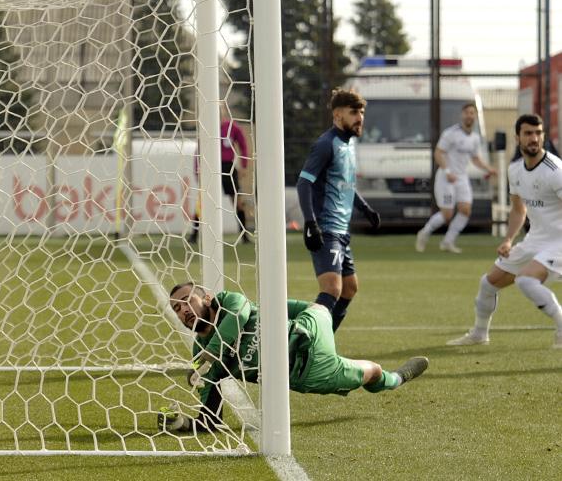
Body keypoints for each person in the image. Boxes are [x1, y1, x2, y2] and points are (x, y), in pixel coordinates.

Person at [158, 282, 429, 433]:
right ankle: (397, 378)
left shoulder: (229, 301)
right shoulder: (201, 355)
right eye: (176, 309)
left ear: (206, 296)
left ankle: (329, 299)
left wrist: (210, 355)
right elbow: (210, 414)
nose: (183, 310)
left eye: (186, 300)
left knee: (319, 307)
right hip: (309, 372)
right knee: (372, 372)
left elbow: (241, 314)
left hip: (308, 327)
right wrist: (184, 423)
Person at [447, 114, 562, 349]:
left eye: (538, 133)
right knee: (488, 283)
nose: (534, 138)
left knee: (526, 280)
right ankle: (479, 334)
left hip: (559, 242)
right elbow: (519, 210)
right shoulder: (515, 170)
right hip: (535, 240)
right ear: (517, 137)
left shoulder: (556, 171)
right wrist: (509, 239)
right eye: (528, 133)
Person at [296, 89, 380, 332]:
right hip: (326, 229)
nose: (360, 117)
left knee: (350, 288)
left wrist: (366, 209)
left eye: (362, 112)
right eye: (354, 112)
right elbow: (304, 182)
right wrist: (311, 223)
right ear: (337, 115)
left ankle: (324, 342)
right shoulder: (326, 144)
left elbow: (346, 186)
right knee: (332, 289)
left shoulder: (349, 145)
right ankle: (302, 342)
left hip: (342, 232)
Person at [415, 102, 496, 254]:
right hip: (446, 177)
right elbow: (438, 153)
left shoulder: (475, 138)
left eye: (472, 113)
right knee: (447, 215)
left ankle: (448, 242)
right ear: (462, 115)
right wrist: (447, 171)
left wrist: (489, 169)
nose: (469, 116)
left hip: (461, 177)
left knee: (465, 210)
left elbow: (475, 159)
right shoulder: (450, 133)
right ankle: (424, 233)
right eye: (467, 113)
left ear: (475, 116)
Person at [189, 107, 251, 244]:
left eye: (219, 110)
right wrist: (197, 169)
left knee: (238, 202)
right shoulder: (207, 128)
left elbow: (243, 145)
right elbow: (199, 150)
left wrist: (244, 165)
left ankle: (244, 235)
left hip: (228, 168)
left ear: (224, 112)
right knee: (203, 202)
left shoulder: (233, 128)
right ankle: (194, 235)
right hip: (210, 168)